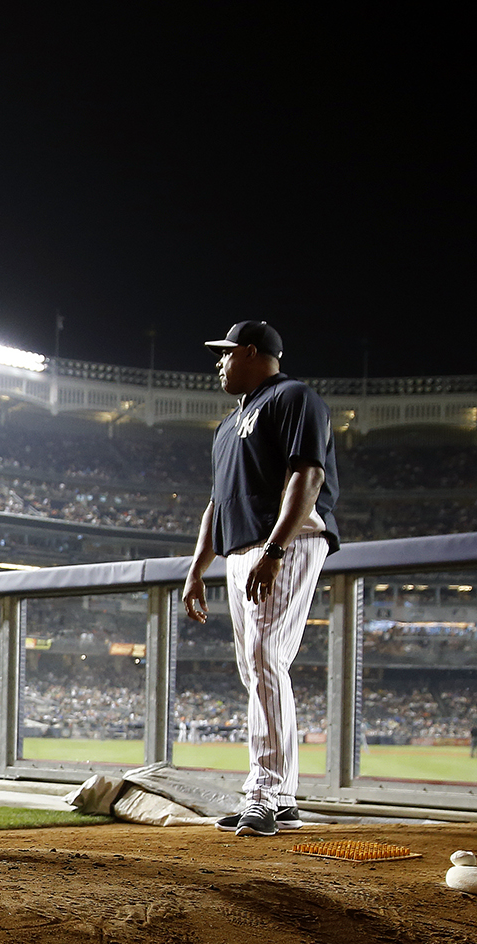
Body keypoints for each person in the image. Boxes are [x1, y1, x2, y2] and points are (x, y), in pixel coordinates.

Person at [182, 321, 340, 838]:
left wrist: (276, 548)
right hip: (238, 550)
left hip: (285, 542)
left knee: (265, 658)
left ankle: (265, 794)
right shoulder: (228, 425)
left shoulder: (293, 397)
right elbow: (217, 502)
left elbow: (307, 476)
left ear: (252, 352)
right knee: (256, 671)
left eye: (226, 354)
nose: (219, 363)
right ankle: (284, 797)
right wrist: (198, 566)